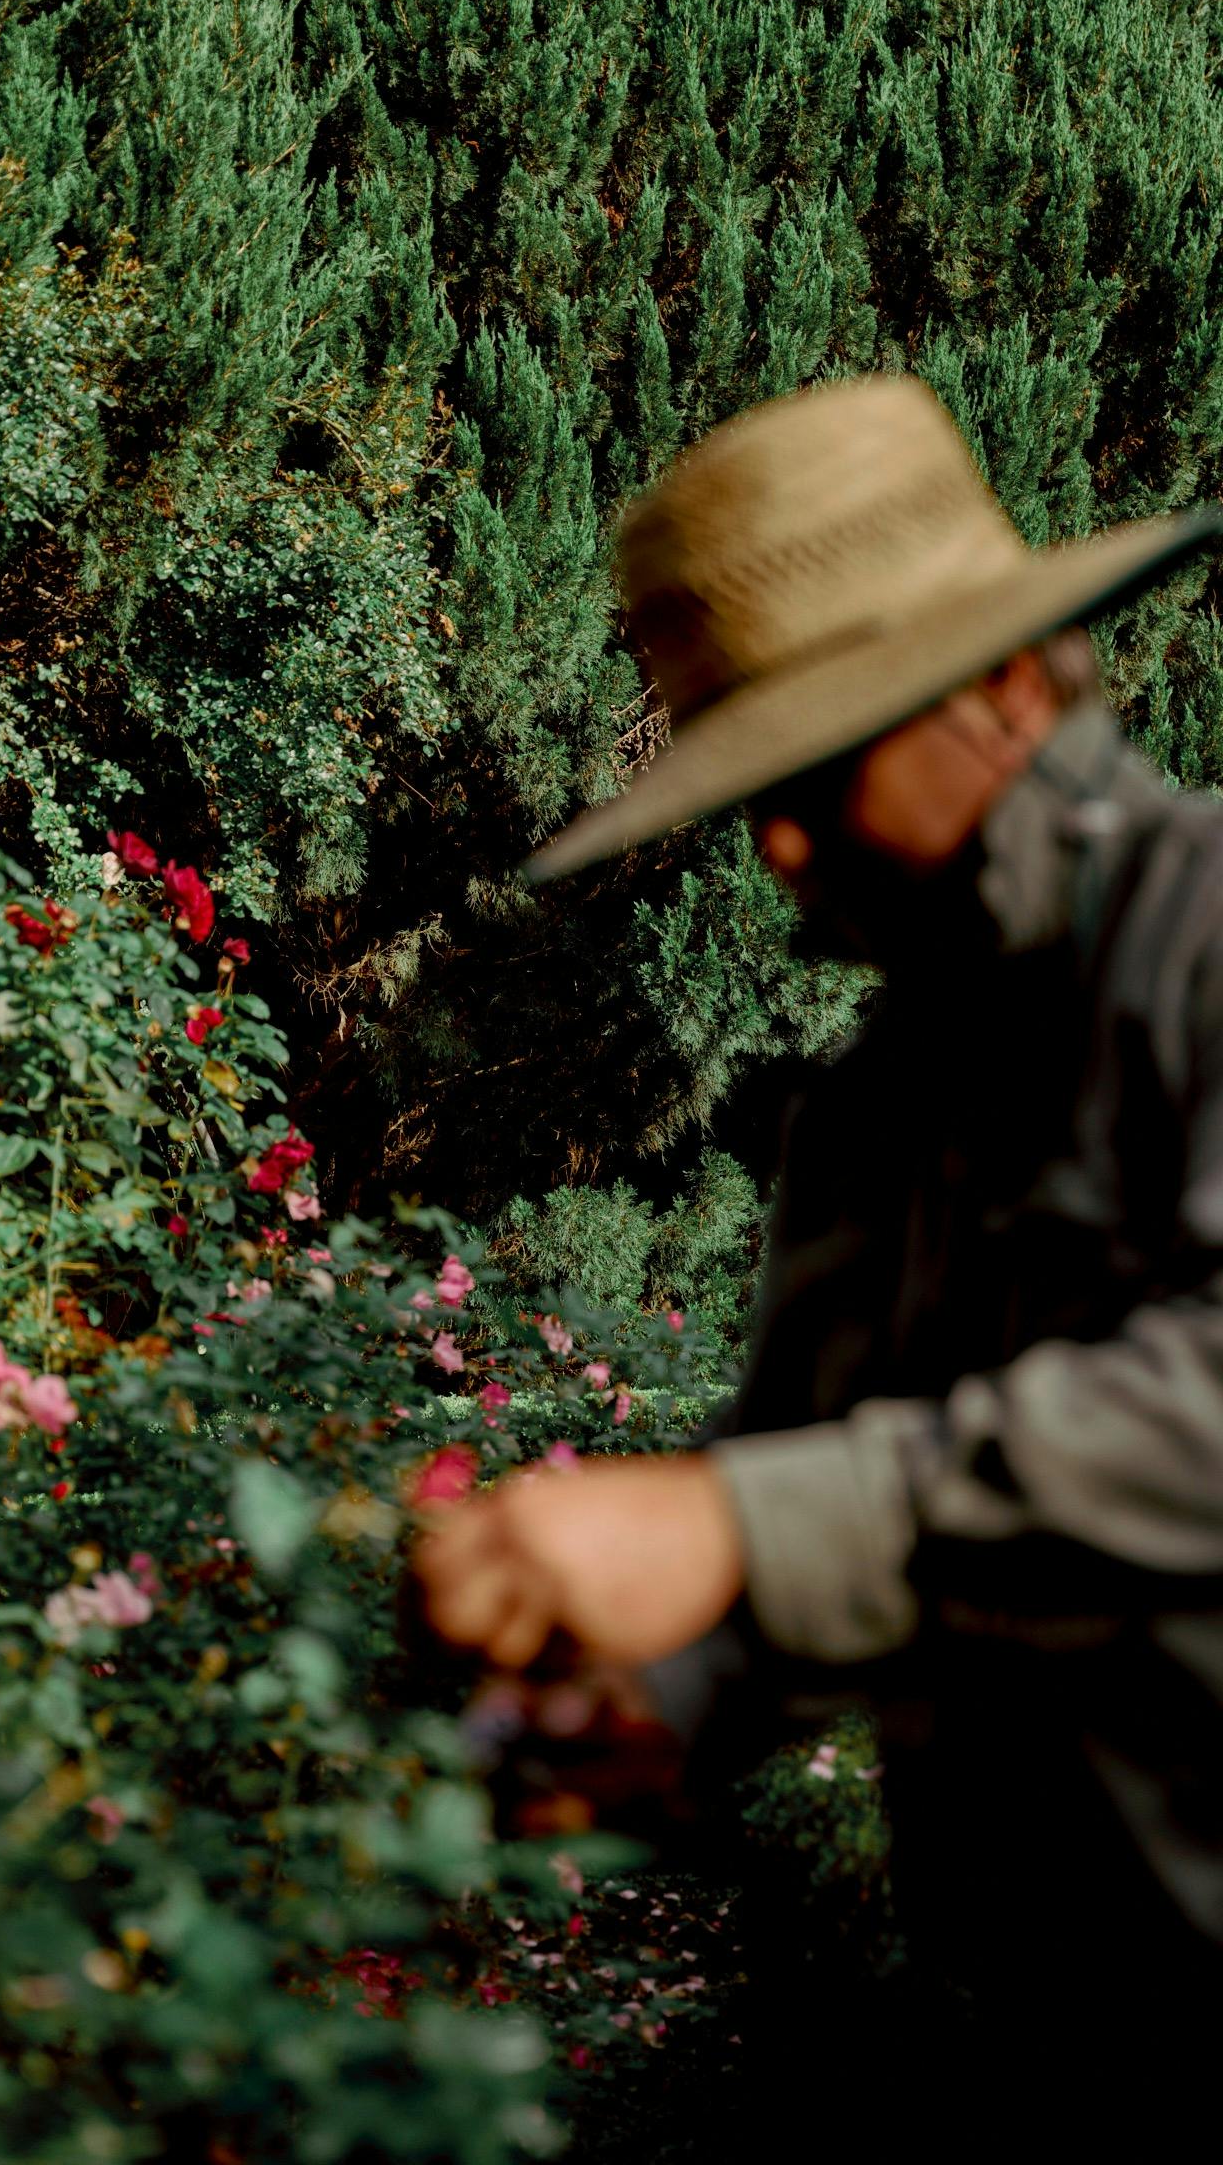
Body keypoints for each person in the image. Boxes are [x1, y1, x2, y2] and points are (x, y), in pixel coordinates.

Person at [410, 374, 1223, 2150]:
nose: (776, 845)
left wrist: (732, 1530)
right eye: (747, 788)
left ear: (1010, 684)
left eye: (818, 765)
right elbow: (809, 1487)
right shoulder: (875, 1112)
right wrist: (665, 1701)